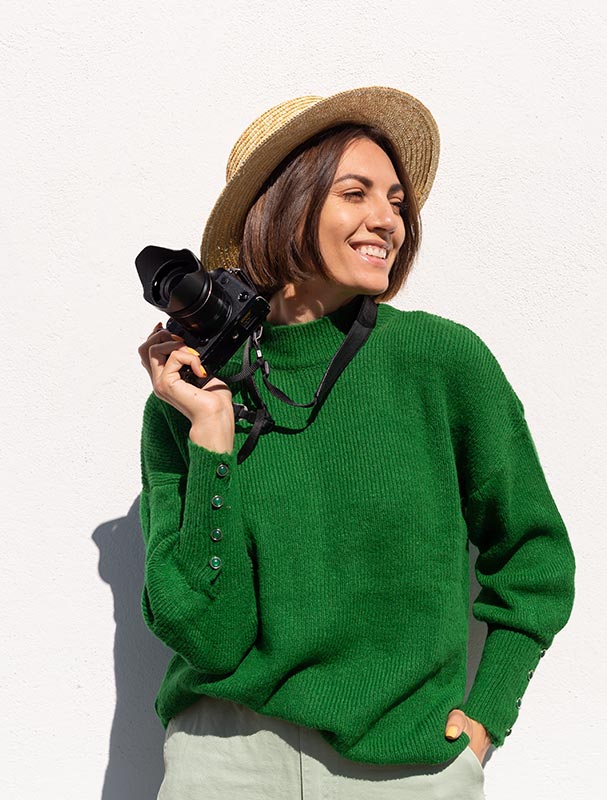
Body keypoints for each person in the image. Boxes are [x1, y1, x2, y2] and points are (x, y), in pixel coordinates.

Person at [137, 86, 576, 799]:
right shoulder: (192, 394)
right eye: (355, 193)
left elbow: (534, 557)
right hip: (224, 760)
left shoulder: (440, 362)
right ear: (285, 206)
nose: (387, 220)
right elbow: (208, 637)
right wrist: (211, 437)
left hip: (404, 766)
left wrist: (488, 716)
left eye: (397, 201)